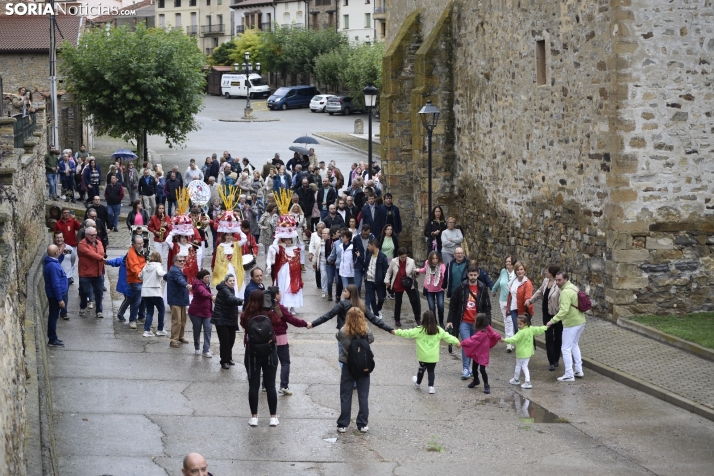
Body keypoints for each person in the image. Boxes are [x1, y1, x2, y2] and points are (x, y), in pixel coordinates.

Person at [310, 284, 394, 366]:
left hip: (345, 335)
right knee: (359, 359)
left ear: (350, 293)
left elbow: (328, 315)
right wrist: (389, 329)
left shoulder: (342, 304)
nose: (343, 292)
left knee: (344, 361)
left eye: (345, 291)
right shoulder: (362, 305)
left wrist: (313, 324)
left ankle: (348, 378)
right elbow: (374, 319)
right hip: (359, 337)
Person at [394, 310, 460, 394]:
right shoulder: (438, 330)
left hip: (422, 356)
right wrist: (456, 342)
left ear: (423, 319)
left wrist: (395, 332)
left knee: (421, 369)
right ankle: (431, 387)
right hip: (433, 356)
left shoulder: (419, 330)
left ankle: (418, 383)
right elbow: (448, 337)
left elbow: (407, 333)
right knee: (431, 371)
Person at [446, 264, 492, 380]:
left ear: (478, 274)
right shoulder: (461, 287)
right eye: (470, 275)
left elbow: (487, 307)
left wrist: (488, 324)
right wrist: (450, 320)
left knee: (475, 346)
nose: (472, 277)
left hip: (477, 324)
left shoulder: (482, 288)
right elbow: (453, 304)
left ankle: (472, 369)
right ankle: (466, 368)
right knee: (466, 343)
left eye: (474, 275)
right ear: (467, 274)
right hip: (464, 322)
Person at [240, 289, 278, 426]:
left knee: (253, 386)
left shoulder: (245, 314)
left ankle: (254, 417)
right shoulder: (270, 313)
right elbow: (278, 321)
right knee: (271, 385)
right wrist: (275, 304)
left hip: (252, 352)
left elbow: (243, 325)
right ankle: (273, 417)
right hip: (269, 352)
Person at [335, 307, 374, 433]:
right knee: (363, 395)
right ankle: (362, 423)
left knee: (346, 395)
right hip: (363, 366)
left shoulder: (343, 331)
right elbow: (371, 339)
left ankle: (343, 423)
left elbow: (338, 338)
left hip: (348, 365)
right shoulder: (366, 330)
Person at [265, 286, 308, 395]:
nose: (281, 295)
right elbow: (291, 319)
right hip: (280, 337)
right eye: (280, 293)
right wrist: (305, 323)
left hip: (267, 338)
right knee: (285, 362)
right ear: (276, 296)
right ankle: (284, 386)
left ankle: (265, 385)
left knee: (268, 363)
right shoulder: (279, 307)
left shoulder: (264, 307)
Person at [548, 271, 586, 382]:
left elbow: (564, 310)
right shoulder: (573, 287)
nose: (557, 282)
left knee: (565, 348)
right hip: (580, 321)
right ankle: (578, 370)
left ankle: (569, 374)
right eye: (556, 279)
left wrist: (552, 321)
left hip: (571, 323)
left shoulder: (565, 292)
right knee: (574, 344)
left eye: (559, 280)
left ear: (565, 279)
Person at [526, 265, 563, 371]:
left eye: (547, 271)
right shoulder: (546, 281)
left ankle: (556, 359)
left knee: (558, 337)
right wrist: (530, 300)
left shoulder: (559, 284)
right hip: (546, 313)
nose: (545, 272)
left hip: (557, 314)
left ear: (552, 272)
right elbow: (539, 292)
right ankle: (551, 361)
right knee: (549, 337)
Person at [266, 213, 304, 314]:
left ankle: (292, 307)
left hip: (294, 273)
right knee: (283, 288)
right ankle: (283, 307)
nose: (287, 241)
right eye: (286, 239)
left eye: (289, 239)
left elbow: (301, 245)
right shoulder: (280, 249)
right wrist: (279, 235)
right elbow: (273, 245)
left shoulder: (296, 249)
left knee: (292, 288)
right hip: (283, 272)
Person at [460, 313, 502, 394]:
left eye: (476, 320)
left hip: (482, 353)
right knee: (474, 369)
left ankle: (486, 384)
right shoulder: (487, 328)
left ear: (479, 322)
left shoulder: (480, 333)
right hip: (478, 352)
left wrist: (461, 343)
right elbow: (494, 333)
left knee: (482, 370)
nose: (474, 321)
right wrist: (499, 337)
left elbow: (471, 340)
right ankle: (476, 380)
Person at [503, 314, 548, 389]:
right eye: (518, 324)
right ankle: (520, 380)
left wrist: (504, 340)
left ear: (525, 323)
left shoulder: (520, 332)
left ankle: (522, 380)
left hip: (521, 353)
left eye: (520, 324)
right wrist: (546, 327)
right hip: (528, 353)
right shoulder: (531, 329)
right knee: (524, 366)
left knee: (519, 366)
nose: (519, 326)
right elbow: (538, 329)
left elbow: (513, 339)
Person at [211, 274, 243, 369]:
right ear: (226, 282)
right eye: (230, 281)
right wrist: (242, 301)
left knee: (231, 340)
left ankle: (228, 358)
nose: (232, 282)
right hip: (221, 320)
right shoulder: (225, 290)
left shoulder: (230, 289)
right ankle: (224, 361)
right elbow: (231, 299)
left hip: (230, 319)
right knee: (225, 342)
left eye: (233, 281)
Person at [384, 247, 420, 327]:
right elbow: (389, 272)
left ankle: (417, 319)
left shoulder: (411, 261)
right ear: (398, 256)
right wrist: (387, 281)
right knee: (398, 303)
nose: (403, 258)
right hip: (398, 283)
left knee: (414, 301)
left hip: (408, 283)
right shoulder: (393, 261)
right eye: (402, 257)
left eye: (405, 257)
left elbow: (414, 272)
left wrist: (417, 273)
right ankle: (397, 319)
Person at [77, 226, 105, 318]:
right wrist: (102, 259)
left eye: (95, 234)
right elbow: (91, 254)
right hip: (86, 273)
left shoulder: (99, 243)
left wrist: (101, 259)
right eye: (92, 235)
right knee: (84, 291)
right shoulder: (82, 244)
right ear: (86, 235)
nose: (94, 236)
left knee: (99, 292)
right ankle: (83, 306)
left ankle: (99, 311)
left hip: (97, 272)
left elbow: (102, 252)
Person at [43, 244, 68, 347]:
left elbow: (57, 260)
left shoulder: (50, 261)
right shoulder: (53, 266)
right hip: (55, 296)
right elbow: (55, 284)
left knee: (53, 316)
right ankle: (52, 339)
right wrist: (60, 300)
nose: (59, 250)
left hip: (54, 295)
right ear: (56, 252)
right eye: (58, 250)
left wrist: (61, 255)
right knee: (53, 317)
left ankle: (53, 338)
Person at [139, 251, 167, 337]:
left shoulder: (146, 266)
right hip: (155, 291)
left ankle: (147, 330)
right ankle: (160, 329)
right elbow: (160, 273)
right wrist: (167, 274)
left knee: (149, 311)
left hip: (145, 292)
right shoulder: (158, 266)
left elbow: (140, 276)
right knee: (161, 310)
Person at [491, 255, 516, 351]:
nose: (507, 263)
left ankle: (511, 340)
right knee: (508, 321)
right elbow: (499, 282)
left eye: (509, 261)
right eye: (506, 261)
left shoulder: (516, 273)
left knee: (513, 321)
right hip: (503, 300)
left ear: (513, 263)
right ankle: (509, 343)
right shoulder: (503, 271)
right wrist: (494, 290)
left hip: (514, 301)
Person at [167, 254, 192, 348]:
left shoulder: (174, 270)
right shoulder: (175, 271)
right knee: (176, 321)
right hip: (175, 299)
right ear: (175, 261)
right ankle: (173, 340)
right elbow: (180, 280)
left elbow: (166, 276)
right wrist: (187, 285)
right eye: (180, 261)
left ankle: (180, 336)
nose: (182, 262)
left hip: (181, 298)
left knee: (183, 320)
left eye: (183, 260)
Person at [416, 251, 446, 327]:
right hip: (429, 289)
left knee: (440, 306)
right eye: (433, 258)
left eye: (436, 258)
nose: (435, 260)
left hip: (439, 289)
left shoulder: (442, 265)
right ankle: (434, 323)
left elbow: (444, 273)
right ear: (430, 259)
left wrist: (443, 275)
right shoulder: (427, 263)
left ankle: (441, 322)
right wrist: (419, 270)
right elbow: (424, 270)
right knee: (432, 307)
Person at [188, 269, 214, 357]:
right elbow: (203, 293)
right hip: (196, 312)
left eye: (209, 277)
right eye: (206, 277)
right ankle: (197, 347)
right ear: (201, 278)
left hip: (207, 311)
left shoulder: (205, 284)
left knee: (208, 330)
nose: (208, 279)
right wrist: (212, 296)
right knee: (197, 330)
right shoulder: (198, 285)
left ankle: (206, 350)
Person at [507, 261, 535, 336]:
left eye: (521, 269)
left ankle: (529, 346)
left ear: (524, 270)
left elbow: (528, 296)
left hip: (523, 309)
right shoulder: (513, 281)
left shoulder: (527, 282)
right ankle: (519, 346)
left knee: (524, 330)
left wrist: (527, 300)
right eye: (518, 270)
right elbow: (510, 295)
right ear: (515, 271)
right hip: (513, 309)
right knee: (517, 329)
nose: (519, 271)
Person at [126, 234, 148, 329]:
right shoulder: (132, 253)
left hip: (141, 279)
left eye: (142, 243)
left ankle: (141, 316)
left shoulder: (140, 250)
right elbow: (134, 267)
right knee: (137, 301)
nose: (141, 245)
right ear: (133, 244)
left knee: (143, 299)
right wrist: (142, 275)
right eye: (138, 243)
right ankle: (132, 320)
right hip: (135, 280)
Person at [51, 231, 75, 318]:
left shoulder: (69, 249)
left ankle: (64, 312)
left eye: (61, 237)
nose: (59, 239)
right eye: (57, 237)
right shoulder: (51, 249)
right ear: (54, 239)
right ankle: (56, 310)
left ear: (63, 238)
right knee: (56, 294)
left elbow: (73, 260)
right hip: (55, 275)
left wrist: (69, 270)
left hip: (66, 276)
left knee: (64, 294)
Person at [364, 239, 389, 319]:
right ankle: (376, 314)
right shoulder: (369, 256)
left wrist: (386, 280)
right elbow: (365, 266)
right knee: (372, 298)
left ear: (373, 246)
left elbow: (386, 269)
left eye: (369, 246)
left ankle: (378, 309)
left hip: (379, 281)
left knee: (381, 298)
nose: (368, 248)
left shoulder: (382, 256)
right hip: (369, 281)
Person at [352, 225, 374, 294]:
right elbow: (353, 250)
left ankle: (367, 303)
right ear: (361, 231)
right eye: (364, 234)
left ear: (369, 231)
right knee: (357, 285)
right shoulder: (356, 238)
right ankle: (357, 300)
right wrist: (355, 259)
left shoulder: (372, 237)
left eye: (367, 234)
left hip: (369, 264)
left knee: (368, 286)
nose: (365, 235)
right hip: (358, 264)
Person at [325, 226, 343, 302]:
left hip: (337, 264)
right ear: (333, 233)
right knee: (330, 280)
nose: (340, 234)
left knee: (338, 281)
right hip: (330, 264)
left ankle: (337, 295)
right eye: (338, 232)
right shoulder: (328, 241)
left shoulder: (340, 241)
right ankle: (329, 294)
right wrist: (329, 260)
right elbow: (326, 253)